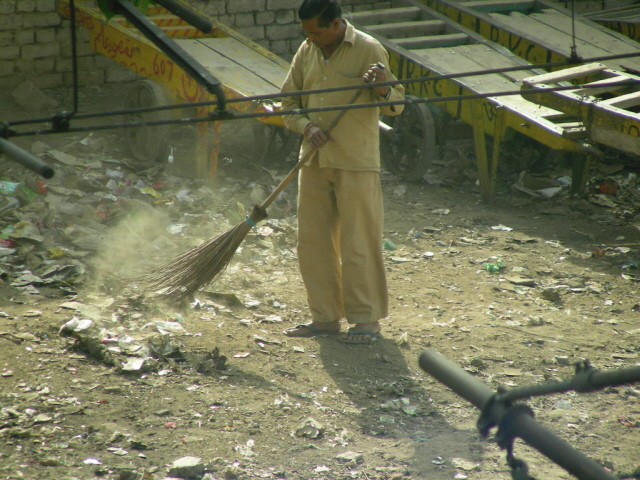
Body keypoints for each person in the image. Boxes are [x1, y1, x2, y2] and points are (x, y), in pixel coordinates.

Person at [280, 0, 405, 344]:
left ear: (336, 24)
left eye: (317, 32)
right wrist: (306, 128)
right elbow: (287, 105)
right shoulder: (307, 50)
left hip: (356, 161)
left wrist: (380, 84)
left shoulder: (368, 48)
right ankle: (324, 318)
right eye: (306, 33)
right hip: (314, 161)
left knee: (358, 243)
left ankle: (366, 322)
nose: (311, 38)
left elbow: (396, 103)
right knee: (313, 243)